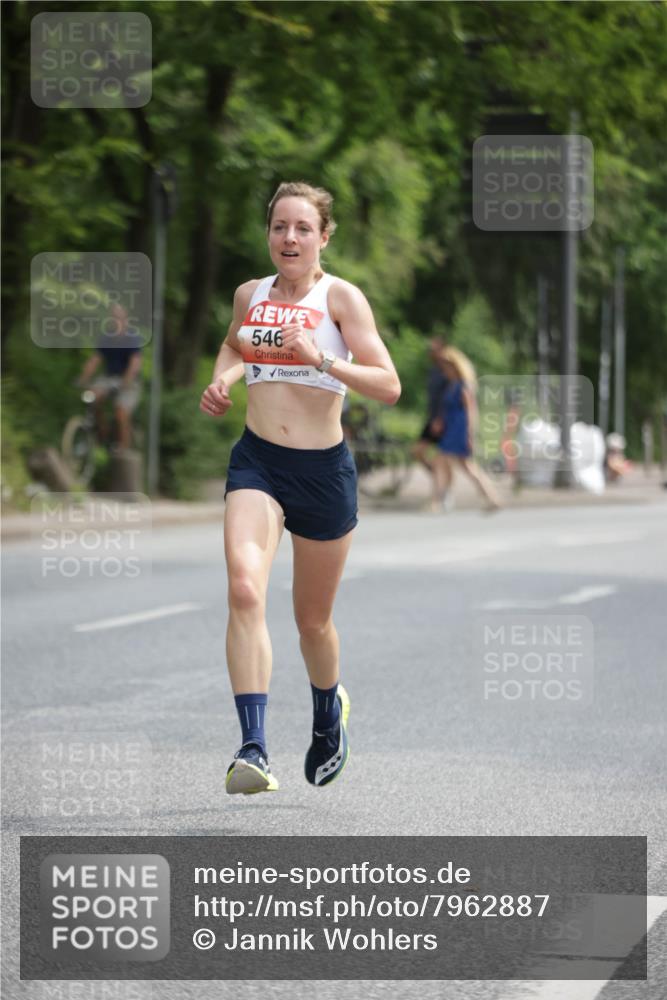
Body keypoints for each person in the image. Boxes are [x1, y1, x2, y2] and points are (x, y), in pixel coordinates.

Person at [199, 181, 401, 795]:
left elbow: (389, 384)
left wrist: (322, 359)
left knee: (311, 621)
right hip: (258, 462)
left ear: (323, 236)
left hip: (322, 473)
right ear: (269, 233)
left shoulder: (341, 299)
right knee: (242, 588)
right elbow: (237, 343)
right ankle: (253, 748)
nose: (289, 238)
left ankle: (326, 709)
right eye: (279, 227)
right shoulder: (249, 295)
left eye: (302, 228)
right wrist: (223, 380)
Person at [432, 346, 501, 512]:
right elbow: (446, 409)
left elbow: (471, 411)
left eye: (447, 366)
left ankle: (442, 498)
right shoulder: (451, 385)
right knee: (448, 463)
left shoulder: (463, 385)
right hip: (451, 430)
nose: (444, 369)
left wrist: (470, 434)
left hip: (459, 431)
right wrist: (440, 421)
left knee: (462, 465)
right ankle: (444, 498)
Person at [77, 303, 143, 450]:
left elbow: (135, 363)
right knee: (92, 397)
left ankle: (123, 448)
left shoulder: (132, 338)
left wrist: (127, 381)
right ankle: (102, 432)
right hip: (109, 378)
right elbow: (95, 360)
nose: (115, 320)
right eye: (113, 317)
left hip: (128, 381)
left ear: (125, 319)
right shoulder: (106, 339)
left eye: (118, 317)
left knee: (121, 411)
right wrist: (83, 377)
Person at [411, 336, 449, 503]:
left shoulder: (449, 371)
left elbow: (448, 398)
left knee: (443, 459)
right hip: (432, 418)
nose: (431, 352)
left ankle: (440, 496)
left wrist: (440, 419)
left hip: (444, 420)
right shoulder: (433, 370)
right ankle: (438, 478)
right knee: (417, 451)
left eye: (434, 349)